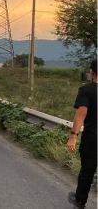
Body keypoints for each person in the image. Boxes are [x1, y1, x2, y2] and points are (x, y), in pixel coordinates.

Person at [67, 59, 97, 209]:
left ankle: (80, 201)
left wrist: (73, 136)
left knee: (87, 171)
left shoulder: (87, 90)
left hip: (93, 139)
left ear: (92, 72)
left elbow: (81, 114)